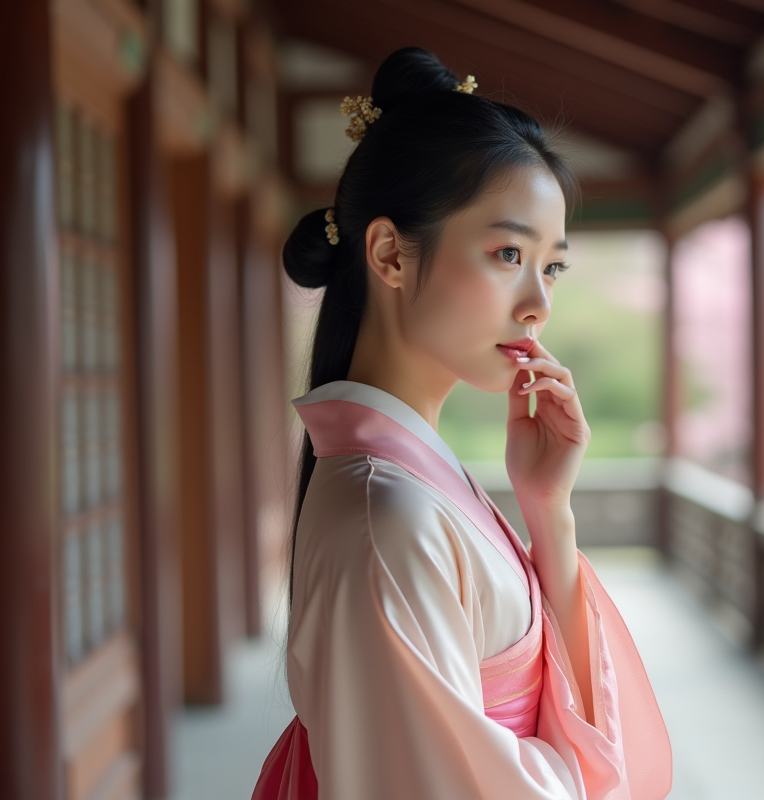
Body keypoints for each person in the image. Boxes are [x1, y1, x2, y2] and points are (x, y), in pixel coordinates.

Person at [252, 46, 672, 800]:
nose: (538, 302)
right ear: (389, 254)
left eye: (551, 266)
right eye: (507, 251)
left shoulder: (409, 483)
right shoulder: (386, 512)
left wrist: (549, 510)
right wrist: (585, 767)